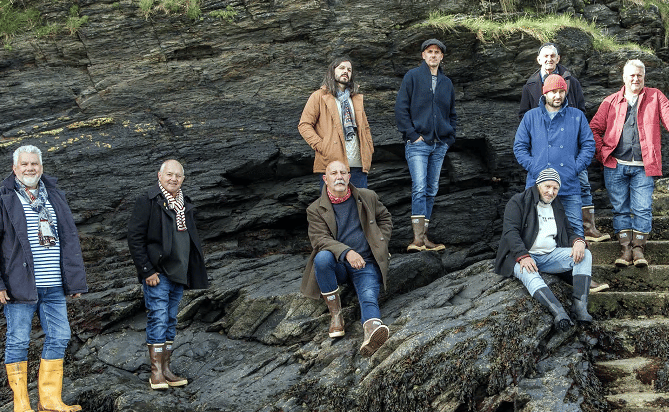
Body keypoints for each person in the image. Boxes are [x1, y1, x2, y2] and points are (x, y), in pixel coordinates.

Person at [0, 145, 87, 412]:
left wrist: (73, 280)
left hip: (54, 285)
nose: (29, 169)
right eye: (24, 164)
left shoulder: (54, 196)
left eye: (34, 164)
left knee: (60, 336)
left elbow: (69, 239)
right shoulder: (4, 198)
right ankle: (21, 403)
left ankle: (49, 400)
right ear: (15, 168)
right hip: (20, 286)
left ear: (41, 167)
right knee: (18, 340)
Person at [127, 159, 208, 390]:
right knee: (158, 318)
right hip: (158, 274)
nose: (174, 179)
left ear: (183, 178)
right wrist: (147, 270)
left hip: (179, 274)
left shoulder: (186, 203)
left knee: (171, 320)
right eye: (169, 174)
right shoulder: (148, 200)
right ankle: (156, 373)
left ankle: (167, 369)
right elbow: (134, 237)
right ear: (159, 176)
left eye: (178, 175)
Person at [519, 43, 609, 243]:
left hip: (570, 153)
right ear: (539, 59)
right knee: (537, 226)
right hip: (540, 161)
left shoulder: (572, 82)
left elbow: (585, 131)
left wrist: (575, 165)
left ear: (558, 58)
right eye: (545, 56)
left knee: (583, 188)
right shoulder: (530, 86)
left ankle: (589, 228)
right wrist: (536, 161)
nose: (558, 95)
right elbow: (521, 138)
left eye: (553, 56)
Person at [301, 160, 392, 356]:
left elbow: (385, 218)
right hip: (338, 265)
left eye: (343, 172)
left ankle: (372, 332)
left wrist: (380, 243)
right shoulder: (315, 209)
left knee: (368, 296)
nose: (339, 176)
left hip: (365, 263)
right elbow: (320, 240)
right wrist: (347, 252)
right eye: (334, 173)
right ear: (325, 179)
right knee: (322, 258)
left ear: (349, 177)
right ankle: (336, 315)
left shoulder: (368, 196)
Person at [590, 59, 669, 267]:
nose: (636, 79)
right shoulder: (610, 101)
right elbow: (594, 129)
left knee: (643, 208)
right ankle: (625, 250)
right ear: (624, 78)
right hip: (615, 166)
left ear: (644, 77)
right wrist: (603, 153)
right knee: (620, 209)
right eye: (631, 75)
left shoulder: (655, 97)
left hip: (645, 166)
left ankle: (638, 250)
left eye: (639, 75)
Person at [495, 168, 593, 331]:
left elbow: (568, 230)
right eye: (547, 186)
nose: (551, 191)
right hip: (521, 256)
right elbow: (510, 231)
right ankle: (559, 313)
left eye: (555, 188)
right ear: (538, 184)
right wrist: (523, 255)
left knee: (585, 255)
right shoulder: (518, 201)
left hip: (549, 256)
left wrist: (578, 241)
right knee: (530, 274)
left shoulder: (556, 205)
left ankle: (580, 307)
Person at [514, 73, 596, 238]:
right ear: (545, 93)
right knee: (535, 233)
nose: (558, 96)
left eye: (561, 91)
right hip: (537, 185)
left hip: (569, 184)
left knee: (575, 233)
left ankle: (576, 263)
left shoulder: (577, 116)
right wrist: (535, 167)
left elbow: (589, 145)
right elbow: (519, 147)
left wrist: (575, 167)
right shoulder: (531, 116)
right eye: (553, 92)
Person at [395, 38, 456, 252]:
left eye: (437, 52)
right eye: (429, 52)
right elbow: (401, 109)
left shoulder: (446, 83)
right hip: (418, 143)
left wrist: (448, 139)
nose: (433, 55)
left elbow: (452, 113)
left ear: (441, 57)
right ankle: (417, 240)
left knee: (431, 189)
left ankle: (425, 238)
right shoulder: (412, 77)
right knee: (419, 188)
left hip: (440, 144)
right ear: (423, 55)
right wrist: (412, 135)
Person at [298, 57, 374, 189]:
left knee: (361, 206)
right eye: (342, 68)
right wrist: (323, 147)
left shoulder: (355, 98)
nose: (346, 72)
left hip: (358, 165)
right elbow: (304, 125)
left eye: (349, 70)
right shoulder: (319, 96)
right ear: (332, 71)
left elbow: (365, 128)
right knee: (332, 208)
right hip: (332, 164)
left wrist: (369, 149)